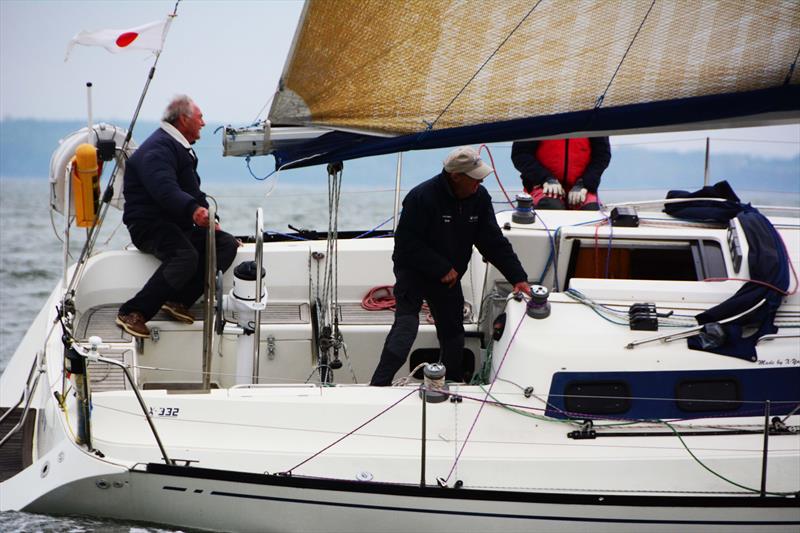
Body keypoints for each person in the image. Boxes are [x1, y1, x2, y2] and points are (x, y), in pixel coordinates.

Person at [370, 146, 532, 386]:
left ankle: (451, 384)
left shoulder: (479, 198)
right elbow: (406, 245)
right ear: (456, 176)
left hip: (449, 279)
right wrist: (441, 267)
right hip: (414, 272)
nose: (480, 183)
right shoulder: (421, 197)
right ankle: (378, 385)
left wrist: (518, 277)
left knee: (453, 333)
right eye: (475, 179)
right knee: (406, 328)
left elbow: (493, 242)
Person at [115, 95, 239, 338]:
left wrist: (213, 223)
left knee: (225, 245)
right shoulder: (158, 148)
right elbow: (165, 189)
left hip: (175, 224)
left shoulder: (178, 147)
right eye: (200, 117)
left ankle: (177, 301)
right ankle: (133, 312)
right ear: (184, 119)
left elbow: (193, 192)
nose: (204, 123)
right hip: (149, 225)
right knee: (185, 255)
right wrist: (193, 210)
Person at [511, 137, 611, 210]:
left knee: (591, 210)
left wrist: (584, 184)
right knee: (551, 206)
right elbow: (520, 154)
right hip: (542, 186)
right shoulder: (536, 114)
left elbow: (602, 156)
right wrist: (546, 179)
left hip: (582, 188)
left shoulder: (592, 116)